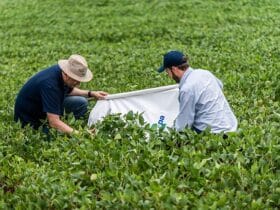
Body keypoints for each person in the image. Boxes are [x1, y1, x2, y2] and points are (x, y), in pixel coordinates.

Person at [14, 54, 107, 134]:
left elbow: (69, 90)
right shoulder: (50, 86)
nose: (78, 84)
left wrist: (91, 93)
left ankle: (70, 125)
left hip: (43, 107)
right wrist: (80, 134)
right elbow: (53, 122)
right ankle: (68, 127)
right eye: (75, 80)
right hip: (30, 120)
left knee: (81, 102)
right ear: (66, 75)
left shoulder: (60, 72)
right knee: (55, 135)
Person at [157, 50, 237, 134]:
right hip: (231, 127)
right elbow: (220, 85)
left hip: (213, 133)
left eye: (167, 72)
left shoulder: (187, 88)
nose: (169, 76)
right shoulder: (204, 73)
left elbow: (184, 124)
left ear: (173, 69)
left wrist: (170, 134)